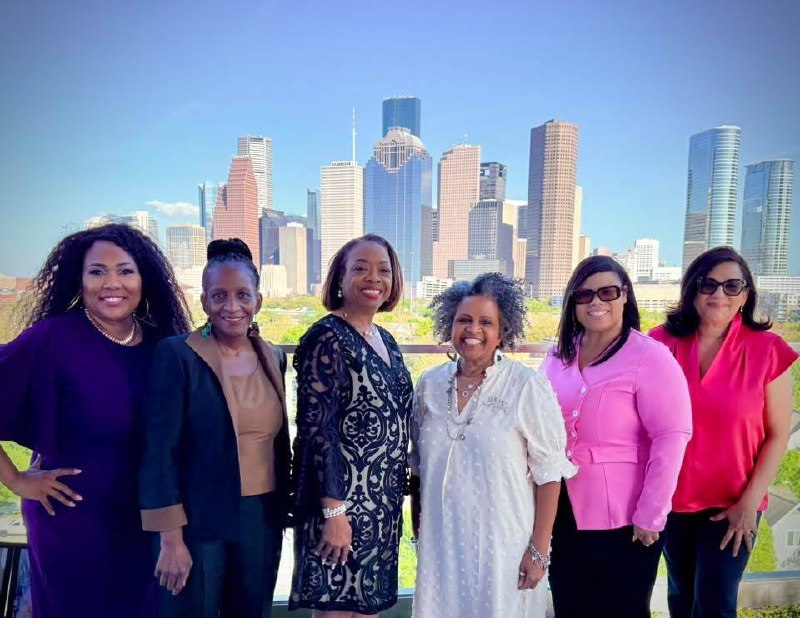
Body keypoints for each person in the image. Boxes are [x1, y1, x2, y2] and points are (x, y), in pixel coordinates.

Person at [0, 223, 192, 618]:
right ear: (80, 279)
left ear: (143, 279)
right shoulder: (53, 338)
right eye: (97, 271)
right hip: (72, 522)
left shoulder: (163, 344)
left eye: (125, 270)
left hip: (145, 523)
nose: (112, 283)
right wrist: (16, 479)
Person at [138, 238, 291, 618]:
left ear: (258, 300)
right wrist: (170, 539)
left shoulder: (273, 356)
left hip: (261, 516)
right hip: (197, 516)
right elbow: (159, 451)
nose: (232, 306)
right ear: (204, 302)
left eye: (243, 295)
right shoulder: (178, 355)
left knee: (251, 611)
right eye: (219, 295)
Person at [410, 273, 576, 618]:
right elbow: (418, 470)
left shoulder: (526, 386)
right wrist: (418, 532)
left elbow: (549, 474)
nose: (474, 330)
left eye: (486, 322)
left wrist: (539, 550)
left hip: (504, 547)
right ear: (450, 325)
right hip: (441, 545)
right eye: (464, 320)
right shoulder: (429, 384)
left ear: (503, 333)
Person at [649, 246, 798, 618]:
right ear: (691, 290)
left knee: (715, 605)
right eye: (708, 284)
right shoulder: (659, 343)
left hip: (733, 505)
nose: (719, 294)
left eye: (732, 286)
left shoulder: (768, 350)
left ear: (746, 294)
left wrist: (749, 504)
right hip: (672, 501)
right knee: (681, 597)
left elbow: (778, 434)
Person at [541, 255, 693, 618]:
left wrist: (651, 514)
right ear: (572, 303)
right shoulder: (558, 355)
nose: (596, 302)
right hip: (562, 513)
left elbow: (672, 436)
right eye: (584, 294)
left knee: (622, 609)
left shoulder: (650, 357)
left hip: (626, 519)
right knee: (569, 606)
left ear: (625, 296)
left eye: (607, 292)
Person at [289, 234, 412, 617]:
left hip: (380, 508)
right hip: (341, 508)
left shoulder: (385, 340)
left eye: (383, 270)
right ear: (339, 279)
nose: (373, 278)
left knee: (366, 610)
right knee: (337, 610)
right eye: (359, 268)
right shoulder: (326, 337)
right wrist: (333, 514)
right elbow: (316, 432)